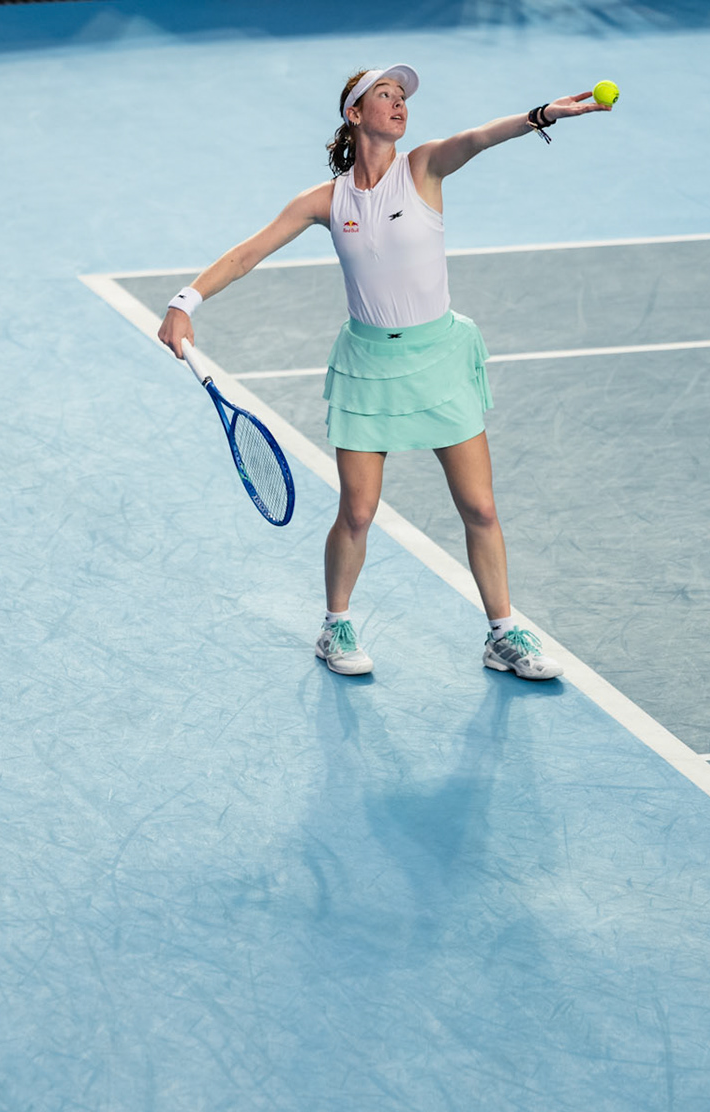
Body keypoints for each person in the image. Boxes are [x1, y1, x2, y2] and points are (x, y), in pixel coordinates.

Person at [157, 64, 610, 678]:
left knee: (479, 507)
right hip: (368, 365)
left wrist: (542, 116)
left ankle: (503, 633)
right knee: (358, 511)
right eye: (384, 96)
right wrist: (184, 304)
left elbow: (479, 137)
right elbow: (246, 254)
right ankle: (335, 626)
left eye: (402, 97)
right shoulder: (325, 201)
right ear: (354, 114)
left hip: (439, 358)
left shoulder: (424, 167)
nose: (399, 105)